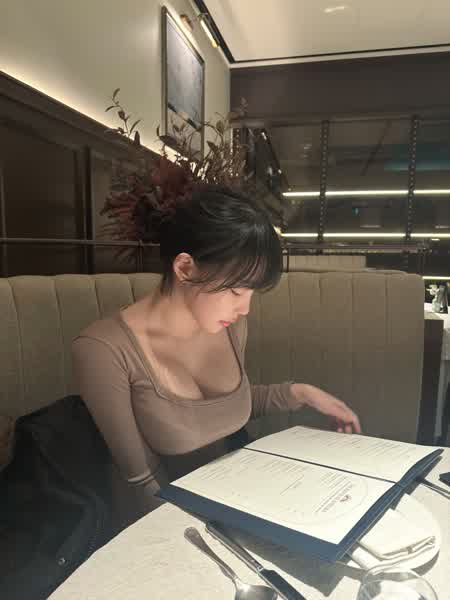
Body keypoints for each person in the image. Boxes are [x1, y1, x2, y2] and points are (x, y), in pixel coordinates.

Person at [72, 184, 361, 516]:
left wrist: (302, 393)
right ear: (185, 268)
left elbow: (221, 409)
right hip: (161, 520)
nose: (245, 308)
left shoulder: (230, 325)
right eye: (236, 291)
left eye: (252, 293)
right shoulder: (103, 349)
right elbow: (139, 478)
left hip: (238, 498)